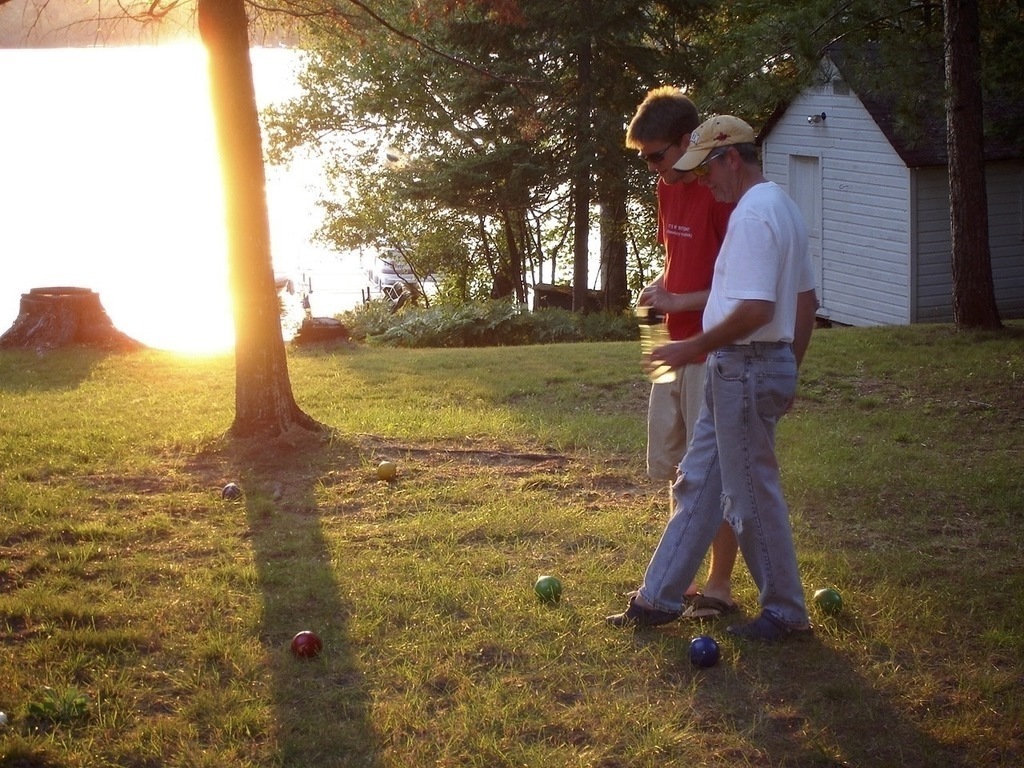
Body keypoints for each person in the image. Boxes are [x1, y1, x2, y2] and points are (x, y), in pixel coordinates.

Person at [607, 115, 820, 641]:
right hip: (745, 366)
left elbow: (755, 309)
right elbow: (806, 302)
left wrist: (692, 346)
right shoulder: (782, 206)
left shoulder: (752, 215)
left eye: (707, 169)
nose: (703, 180)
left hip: (743, 363)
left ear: (731, 158)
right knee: (698, 483)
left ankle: (786, 613)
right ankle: (656, 600)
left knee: (750, 496)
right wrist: (790, 366)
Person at [625, 87, 740, 619]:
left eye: (657, 155)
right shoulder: (665, 188)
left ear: (688, 140)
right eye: (645, 159)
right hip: (671, 346)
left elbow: (737, 287)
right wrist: (659, 288)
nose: (652, 168)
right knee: (675, 468)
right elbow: (678, 258)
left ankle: (719, 585)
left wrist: (679, 300)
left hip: (709, 348)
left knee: (710, 471)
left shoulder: (719, 195)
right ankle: (682, 573)